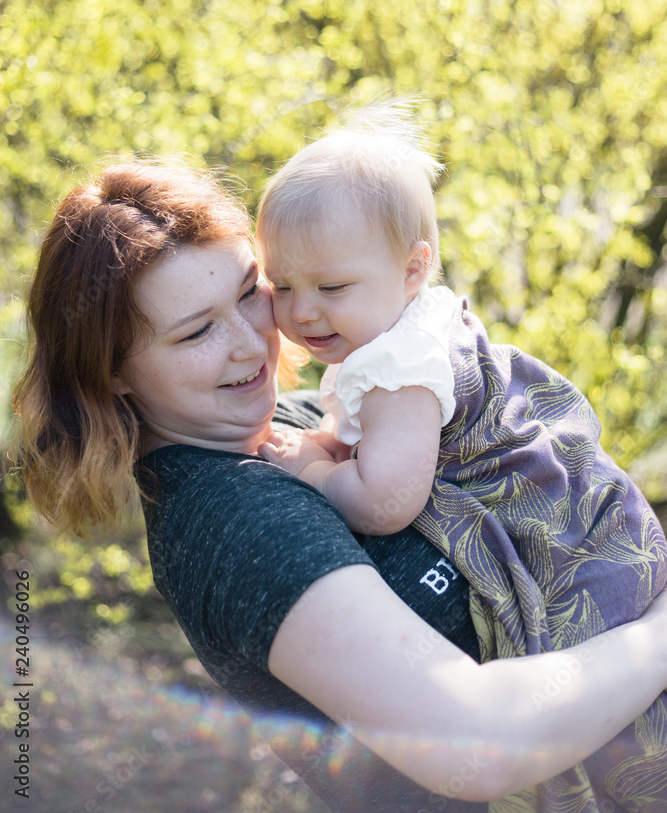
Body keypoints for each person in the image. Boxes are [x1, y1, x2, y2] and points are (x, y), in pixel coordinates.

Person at [12, 160, 667, 813]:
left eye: (250, 291)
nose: (251, 345)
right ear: (112, 371)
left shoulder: (303, 418)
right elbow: (472, 745)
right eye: (197, 331)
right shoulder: (235, 521)